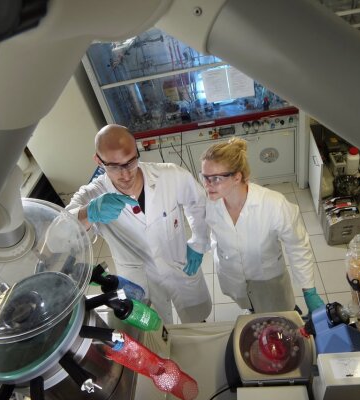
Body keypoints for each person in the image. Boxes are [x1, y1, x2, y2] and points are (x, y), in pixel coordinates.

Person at [66, 124, 212, 324]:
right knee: (154, 329)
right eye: (114, 166)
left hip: (179, 263)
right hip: (139, 278)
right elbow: (61, 233)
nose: (125, 175)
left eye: (131, 162)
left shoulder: (169, 175)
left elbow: (199, 203)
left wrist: (198, 241)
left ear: (137, 152)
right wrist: (87, 213)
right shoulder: (92, 195)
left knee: (197, 319)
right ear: (98, 161)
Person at [200, 138, 315, 313]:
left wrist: (309, 290)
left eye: (215, 178)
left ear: (237, 177)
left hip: (267, 277)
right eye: (205, 177)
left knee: (281, 314)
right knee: (250, 308)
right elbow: (211, 232)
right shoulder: (210, 202)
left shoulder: (273, 204)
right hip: (232, 275)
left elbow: (297, 245)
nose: (207, 186)